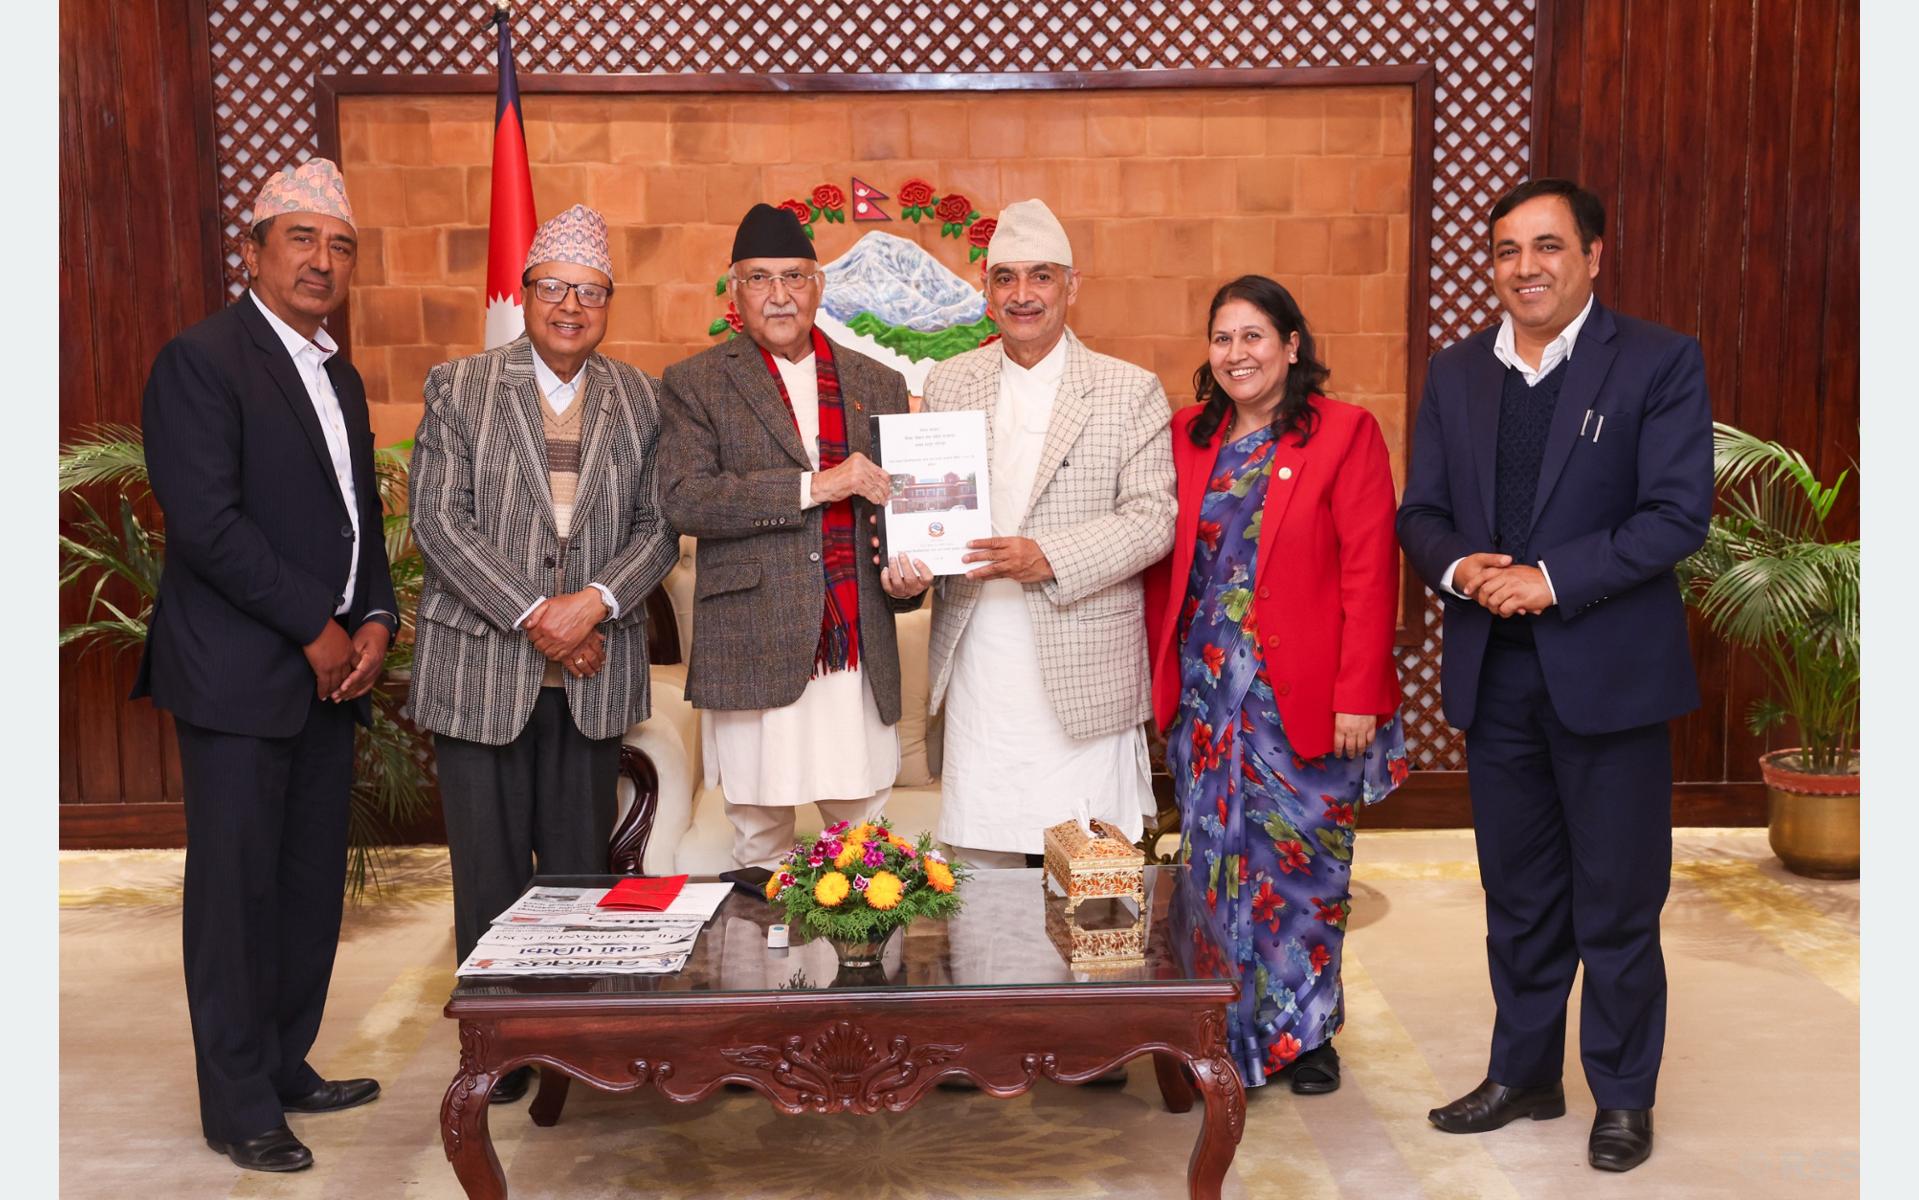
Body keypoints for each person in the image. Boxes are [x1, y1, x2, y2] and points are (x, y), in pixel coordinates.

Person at [1397, 178, 1712, 1172]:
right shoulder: (1454, 373)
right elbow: (1422, 513)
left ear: (1592, 254)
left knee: (1616, 900)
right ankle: (1523, 1074)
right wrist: (1462, 569)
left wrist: (1547, 579)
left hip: (1609, 677)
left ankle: (1620, 1096)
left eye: (1544, 246)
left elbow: (1672, 516)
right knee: (1519, 894)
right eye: (1503, 250)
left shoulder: (1657, 361)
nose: (1523, 268)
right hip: (1495, 677)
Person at [133, 158, 397, 1173]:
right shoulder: (201, 360)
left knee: (302, 886)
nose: (322, 261)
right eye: (301, 239)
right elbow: (207, 524)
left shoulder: (337, 370)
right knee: (236, 896)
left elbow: (358, 517)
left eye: (339, 246)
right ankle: (236, 1100)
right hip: (243, 676)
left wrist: (371, 616)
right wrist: (314, 627)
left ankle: (285, 1061)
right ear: (251, 251)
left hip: (330, 675)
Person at [408, 204, 678, 1103]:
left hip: (593, 672)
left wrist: (593, 604)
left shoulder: (641, 397)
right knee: (485, 870)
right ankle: (499, 1049)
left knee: (575, 872)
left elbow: (658, 526)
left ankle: (571, 1037)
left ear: (609, 303)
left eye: (590, 292)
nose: (570, 306)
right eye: (554, 288)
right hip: (482, 665)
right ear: (523, 295)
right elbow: (437, 523)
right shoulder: (458, 384)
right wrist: (538, 615)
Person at [1144, 275, 1408, 1094]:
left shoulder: (1344, 432)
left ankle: (1308, 1035)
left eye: (1254, 336)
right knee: (1213, 870)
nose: (1236, 354)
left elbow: (1371, 569)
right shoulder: (1185, 434)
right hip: (1205, 699)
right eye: (1222, 339)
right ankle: (1217, 1031)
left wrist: (1356, 692)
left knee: (1304, 868)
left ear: (1292, 346)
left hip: (1304, 696)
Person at [884, 199, 1175, 866]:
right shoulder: (950, 382)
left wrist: (1046, 555)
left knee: (1093, 876)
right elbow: (925, 510)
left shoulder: (1127, 390)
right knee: (982, 868)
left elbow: (1152, 519)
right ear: (985, 294)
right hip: (981, 655)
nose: (1023, 295)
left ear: (1071, 286)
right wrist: (907, 565)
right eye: (1005, 278)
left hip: (1085, 658)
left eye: (1040, 276)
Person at [657, 203, 919, 875]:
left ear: (818, 285)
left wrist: (912, 577)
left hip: (853, 642)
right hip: (752, 638)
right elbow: (685, 498)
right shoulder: (696, 382)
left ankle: (864, 973)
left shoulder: (878, 383)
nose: (779, 294)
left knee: (864, 845)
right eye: (759, 278)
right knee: (758, 844)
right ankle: (758, 977)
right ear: (734, 289)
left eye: (794, 276)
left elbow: (902, 514)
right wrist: (814, 487)